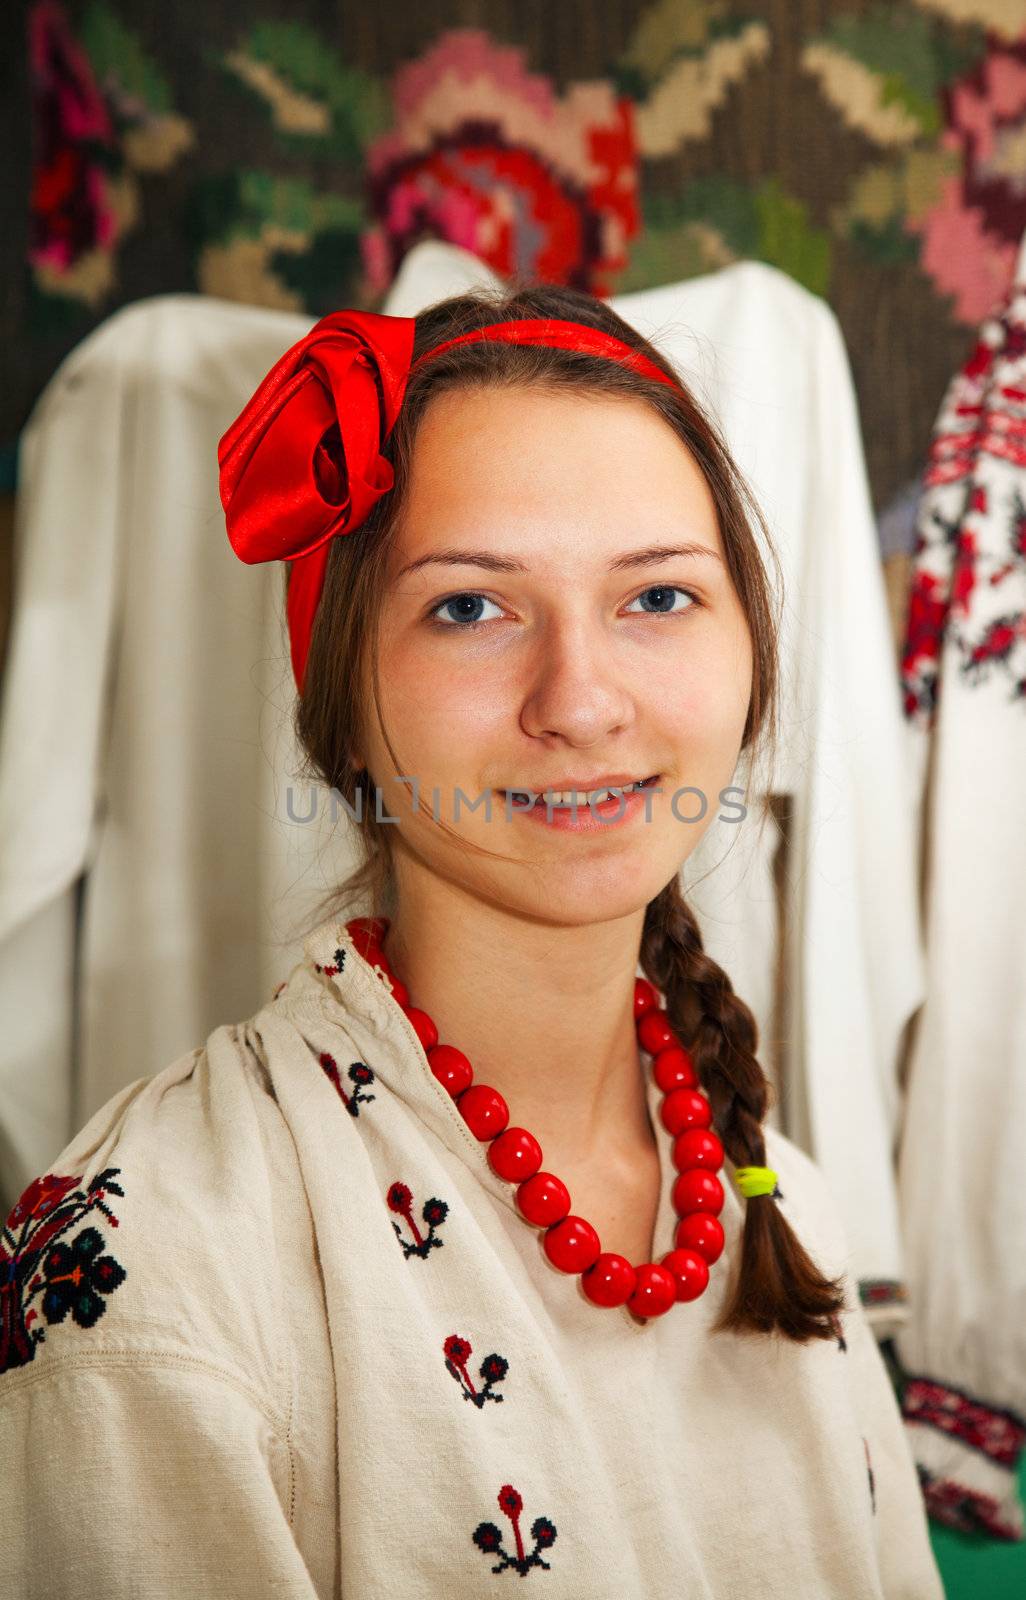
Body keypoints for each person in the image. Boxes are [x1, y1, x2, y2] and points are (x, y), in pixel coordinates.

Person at [0, 281, 945, 1598]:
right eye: (468, 607)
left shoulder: (777, 1195)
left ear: (755, 664)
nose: (581, 698)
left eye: (657, 598)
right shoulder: (151, 1258)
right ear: (337, 703)